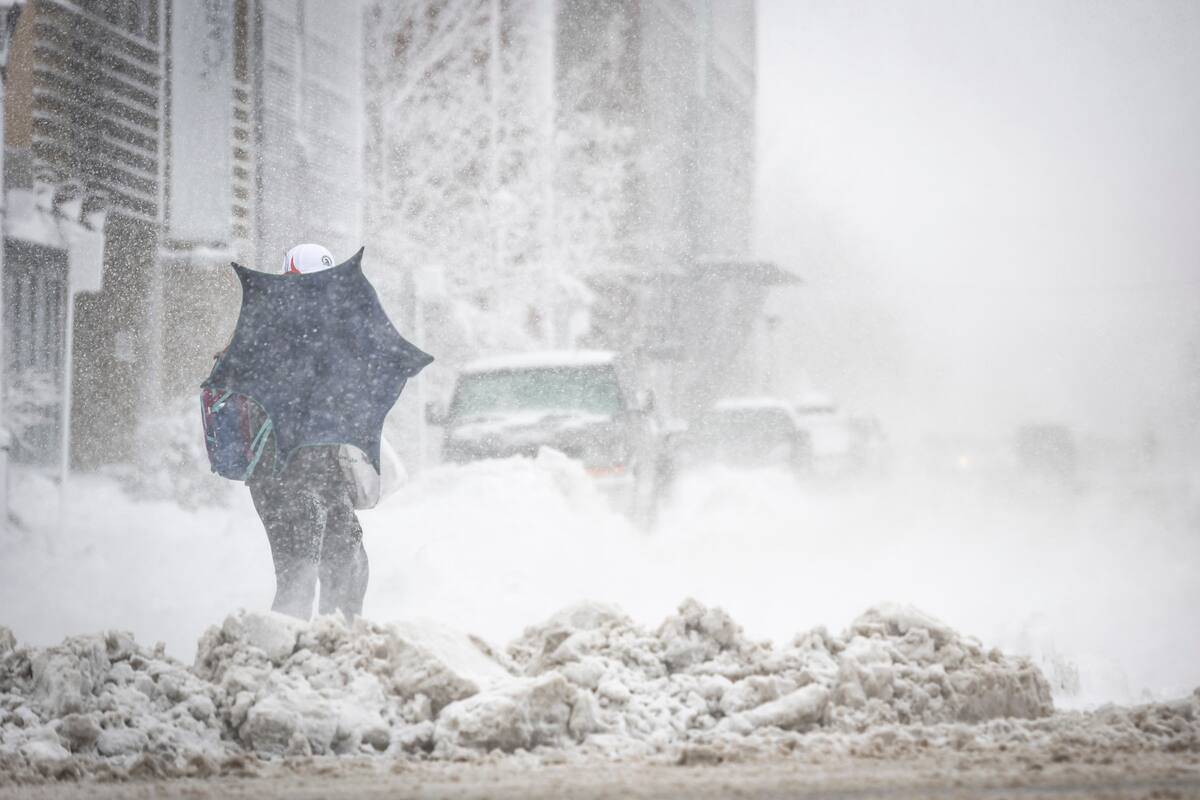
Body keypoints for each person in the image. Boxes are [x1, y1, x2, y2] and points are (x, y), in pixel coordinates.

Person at [246, 243, 369, 620]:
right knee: (299, 579)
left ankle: (335, 642)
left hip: (320, 474)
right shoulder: (276, 329)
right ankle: (283, 645)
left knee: (350, 563)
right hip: (284, 478)